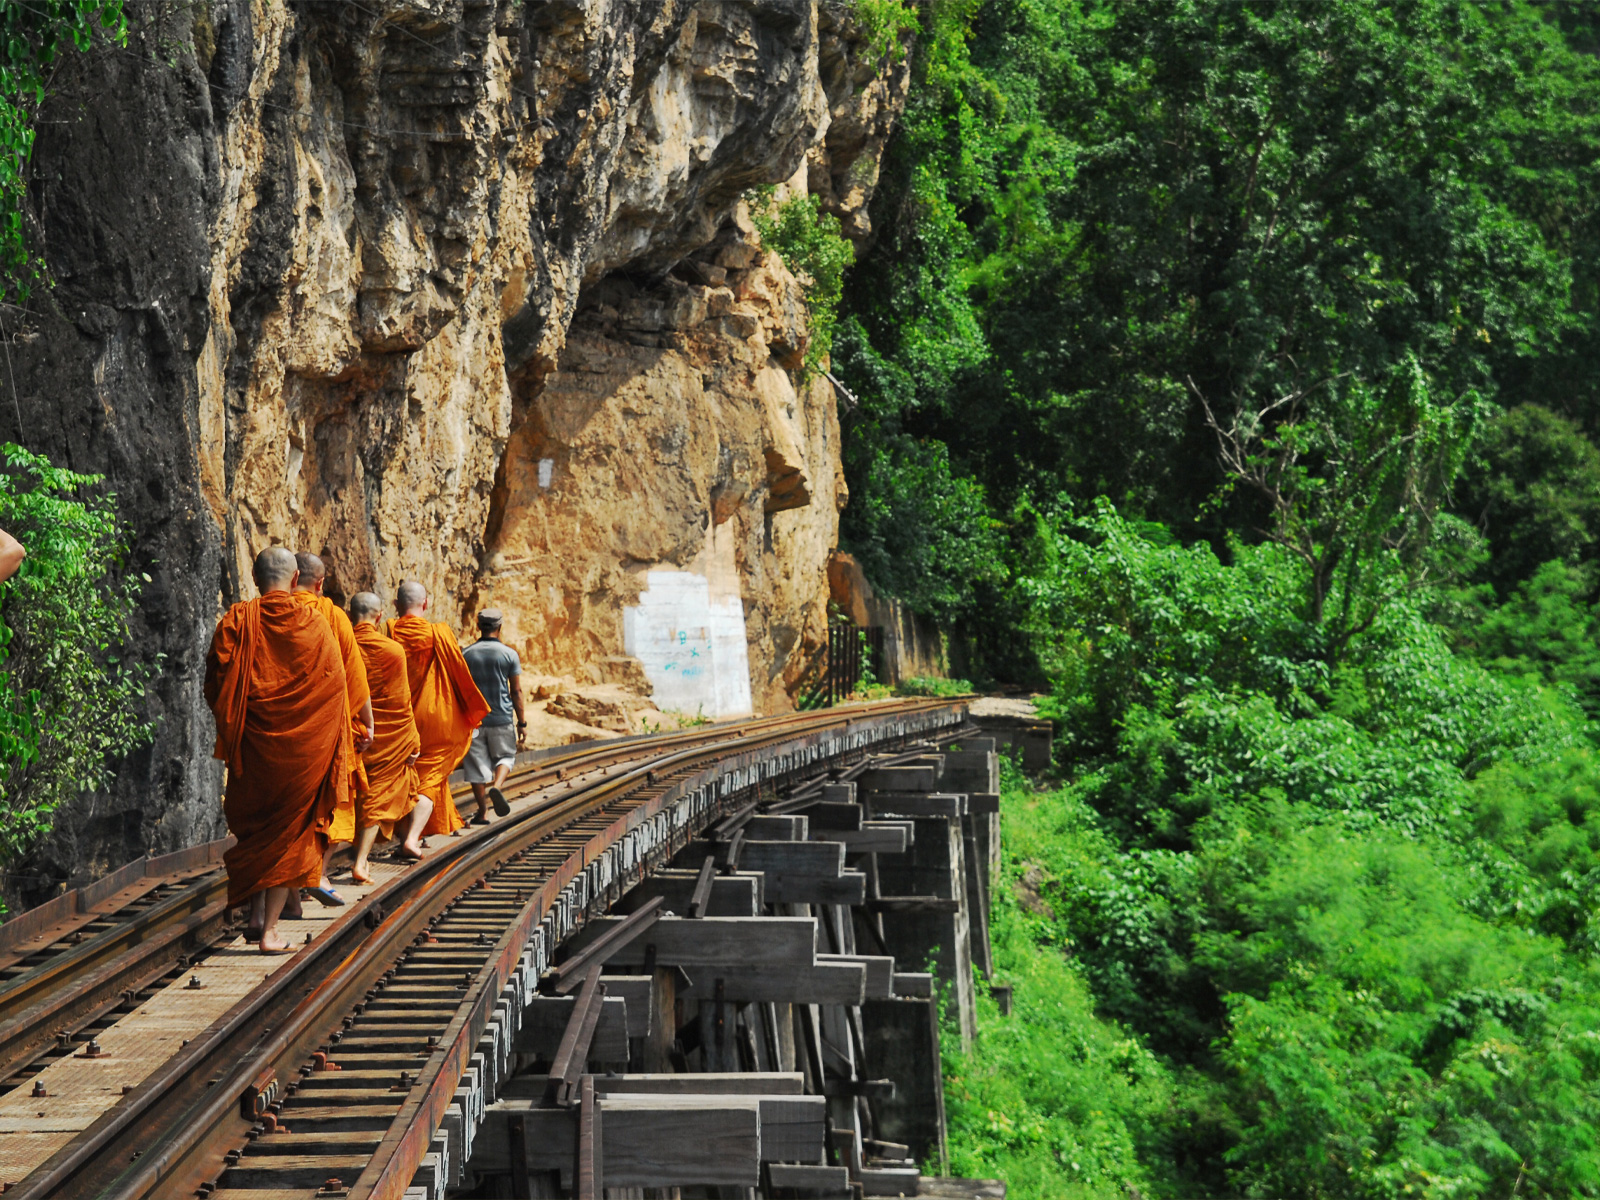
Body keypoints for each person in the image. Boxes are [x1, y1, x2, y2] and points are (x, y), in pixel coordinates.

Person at [205, 546, 348, 954]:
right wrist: (323, 739)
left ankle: (255, 916)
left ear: (254, 578)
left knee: (258, 831)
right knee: (290, 834)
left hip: (253, 750)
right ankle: (269, 931)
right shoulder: (315, 623)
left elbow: (215, 686)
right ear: (295, 579)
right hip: (302, 753)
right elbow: (335, 687)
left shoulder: (237, 621)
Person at [291, 552, 373, 905]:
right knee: (332, 803)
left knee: (286, 812)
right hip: (325, 728)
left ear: (292, 578)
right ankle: (319, 874)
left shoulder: (260, 615)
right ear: (321, 583)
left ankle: (288, 893)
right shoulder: (332, 615)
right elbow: (354, 676)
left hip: (277, 729)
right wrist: (368, 724)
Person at [386, 581, 489, 837]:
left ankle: (409, 835)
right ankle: (412, 837)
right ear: (426, 603)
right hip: (436, 719)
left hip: (399, 719)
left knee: (403, 774)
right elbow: (460, 676)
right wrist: (470, 711)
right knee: (430, 776)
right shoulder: (439, 633)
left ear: (396, 605)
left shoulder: (388, 631)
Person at [347, 591, 433, 880]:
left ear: (350, 614)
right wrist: (413, 740)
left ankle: (327, 867)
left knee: (349, 796)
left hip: (352, 732)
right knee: (378, 797)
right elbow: (401, 702)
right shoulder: (392, 650)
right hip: (390, 736)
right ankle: (361, 861)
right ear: (380, 616)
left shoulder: (342, 645)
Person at [461, 608, 523, 823]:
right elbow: (516, 691)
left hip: (474, 721)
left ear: (478, 626)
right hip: (502, 719)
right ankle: (497, 786)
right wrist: (522, 722)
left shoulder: (466, 654)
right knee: (505, 757)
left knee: (476, 767)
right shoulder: (509, 654)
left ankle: (483, 812)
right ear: (500, 627)